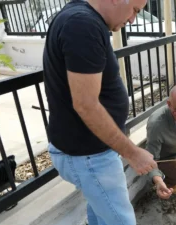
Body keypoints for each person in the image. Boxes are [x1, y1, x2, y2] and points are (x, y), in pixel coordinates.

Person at [42, 0, 157, 224]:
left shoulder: (81, 18)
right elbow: (86, 105)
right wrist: (133, 153)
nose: (133, 19)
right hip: (88, 156)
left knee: (100, 214)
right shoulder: (83, 25)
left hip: (88, 152)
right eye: (135, 9)